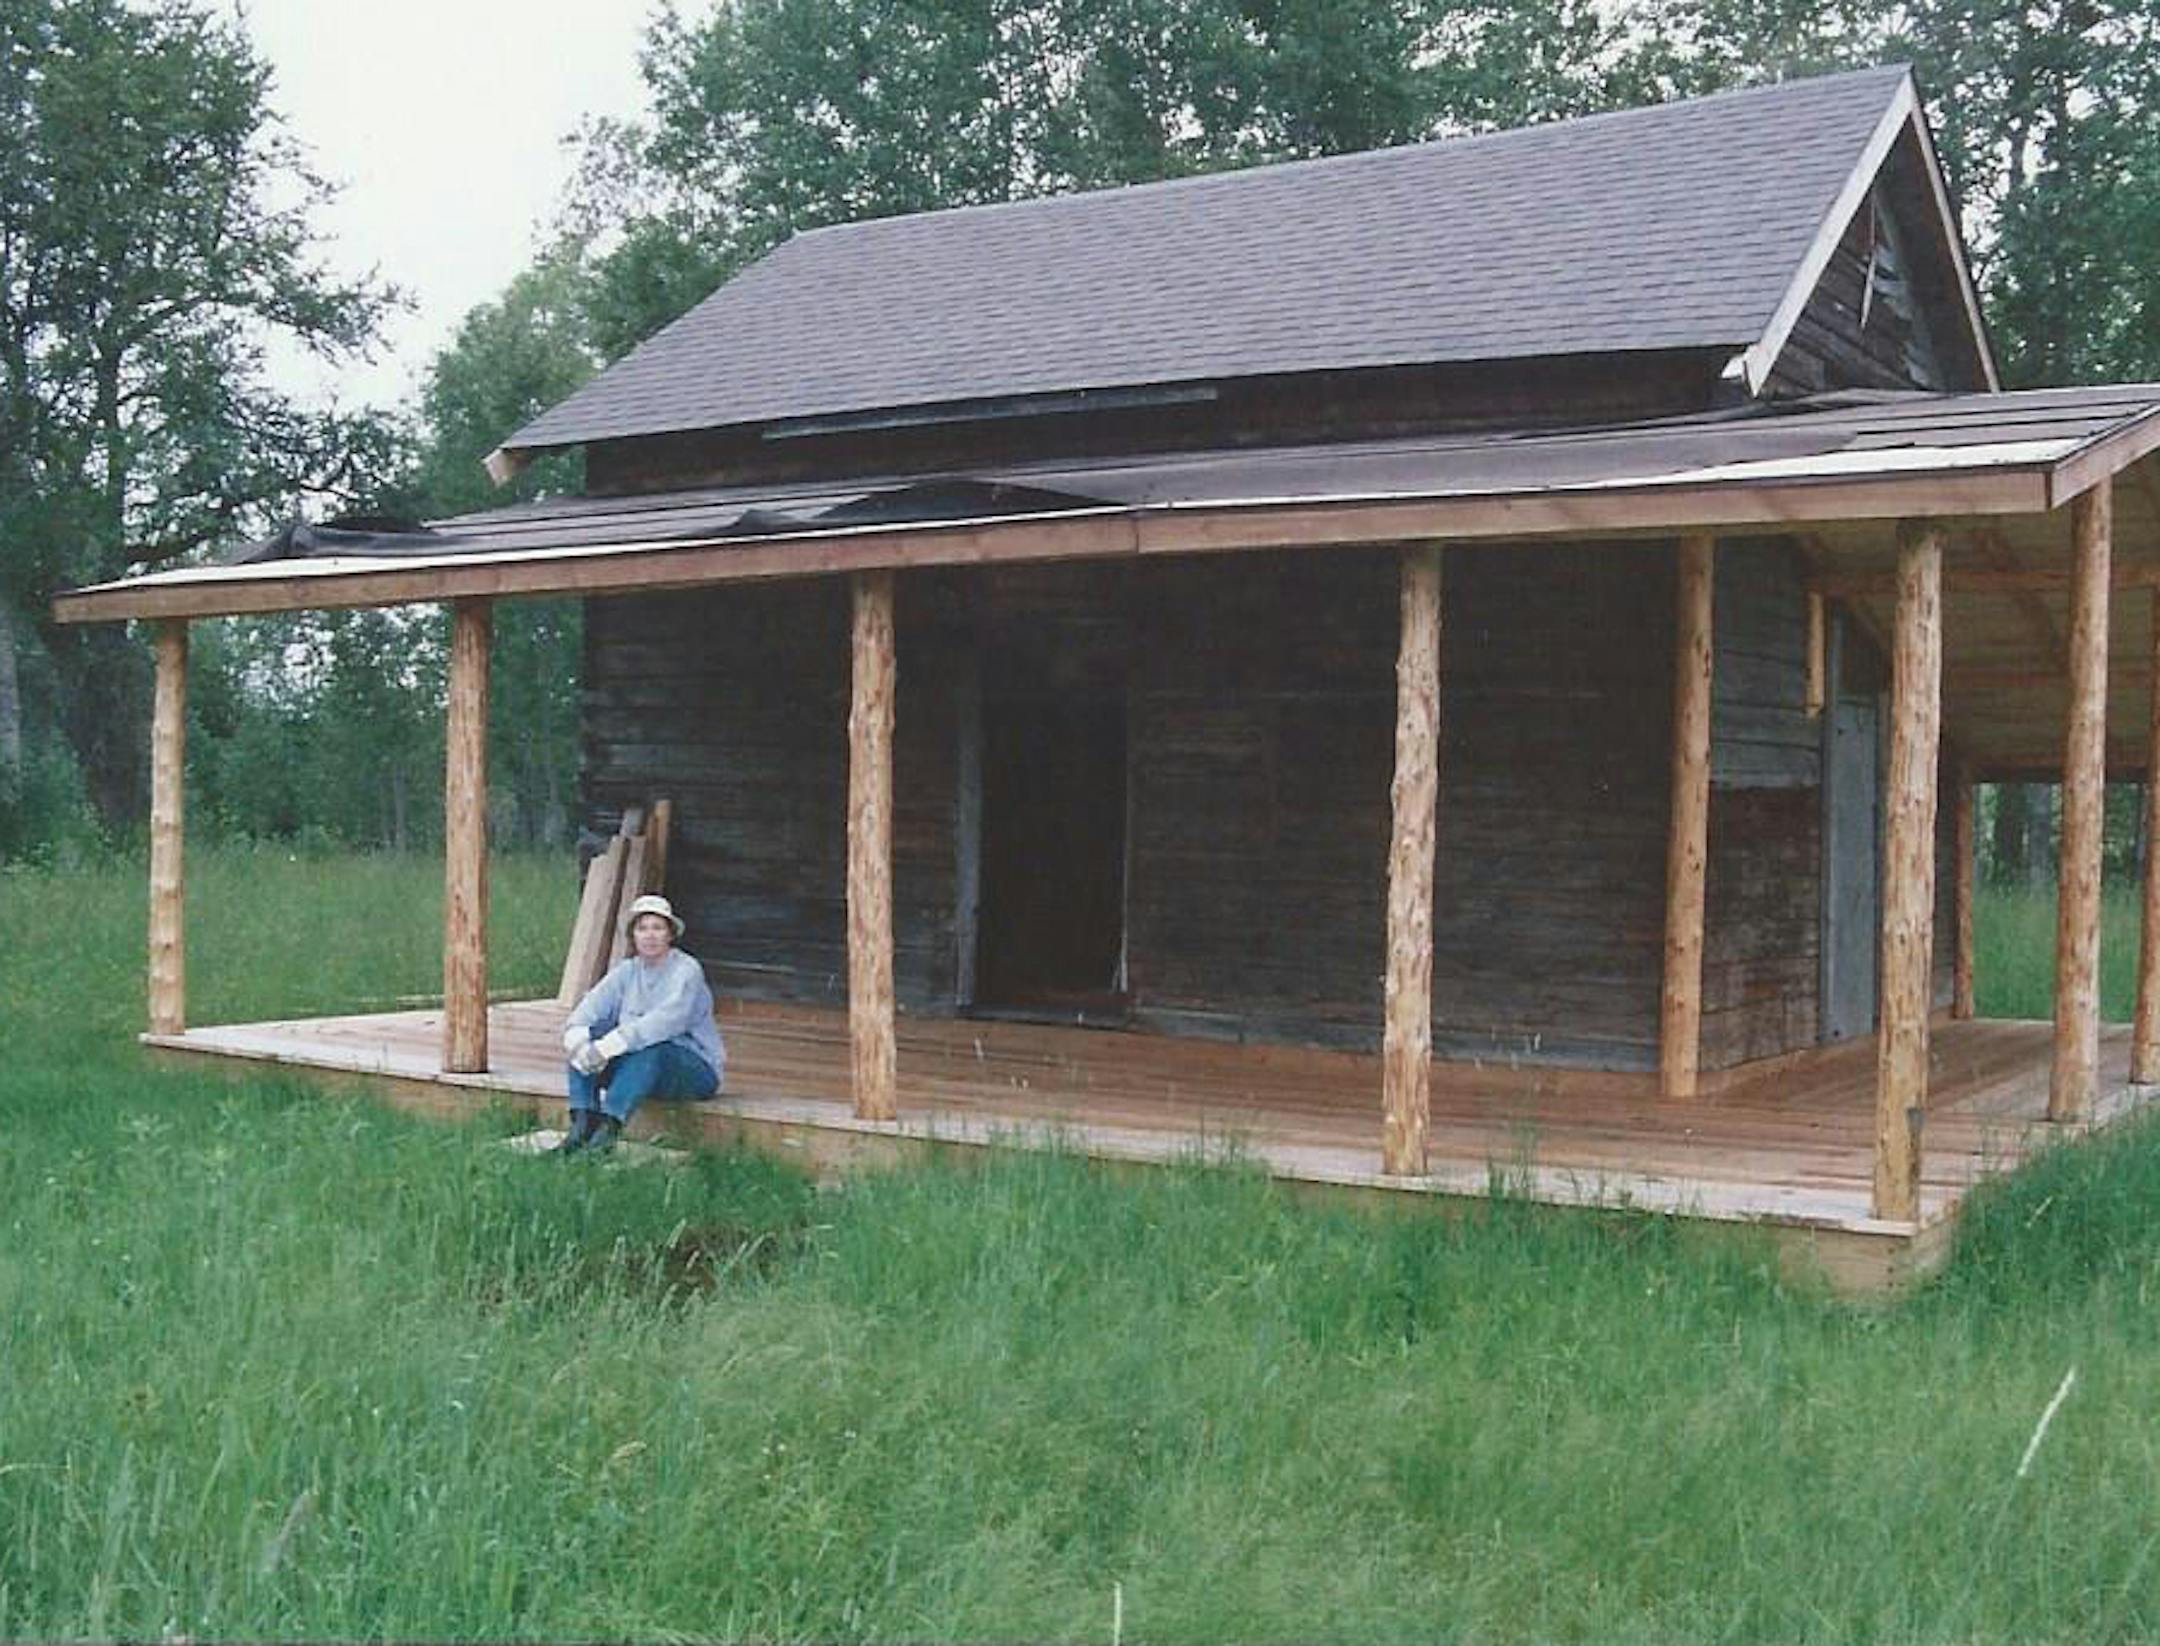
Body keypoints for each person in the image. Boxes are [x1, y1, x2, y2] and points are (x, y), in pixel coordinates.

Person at [556, 893, 725, 1155]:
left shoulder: (687, 970)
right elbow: (586, 1011)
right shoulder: (626, 971)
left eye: (658, 928)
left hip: (692, 1069)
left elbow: (667, 1022)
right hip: (637, 1066)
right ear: (633, 935)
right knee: (586, 1038)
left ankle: (607, 1132)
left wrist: (610, 1046)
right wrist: (580, 1043)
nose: (650, 935)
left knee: (650, 1047)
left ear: (670, 934)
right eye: (642, 928)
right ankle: (581, 1125)